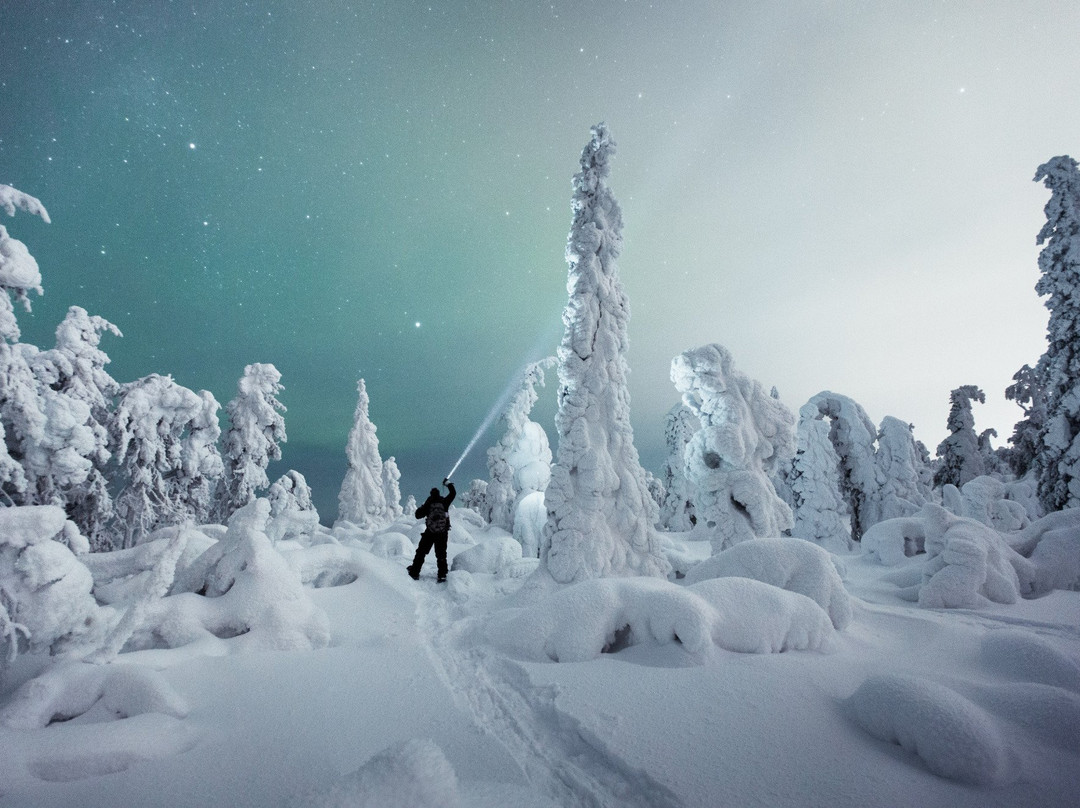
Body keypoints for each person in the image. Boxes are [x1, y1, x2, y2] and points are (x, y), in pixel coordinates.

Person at [408, 477, 456, 582]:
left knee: (421, 552)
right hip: (443, 532)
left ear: (431, 494)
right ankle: (442, 575)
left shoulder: (429, 503)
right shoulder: (444, 501)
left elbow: (417, 515)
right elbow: (453, 493)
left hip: (429, 532)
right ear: (439, 494)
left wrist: (423, 507)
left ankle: (414, 572)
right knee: (441, 554)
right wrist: (448, 483)